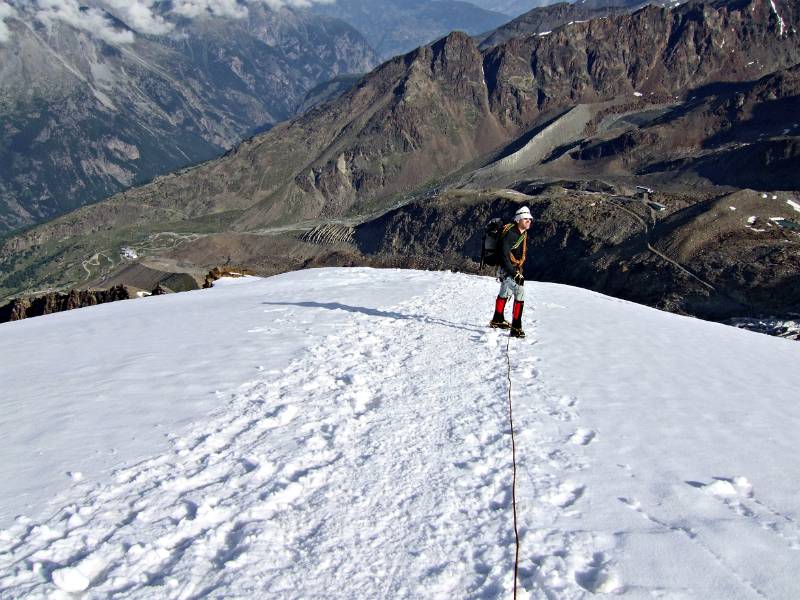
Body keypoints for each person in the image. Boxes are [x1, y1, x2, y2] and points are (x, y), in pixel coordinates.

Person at [489, 206, 531, 338]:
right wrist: (514, 273)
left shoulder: (520, 232)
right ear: (518, 220)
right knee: (519, 292)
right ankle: (516, 328)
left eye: (529, 219)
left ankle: (497, 319)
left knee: (505, 291)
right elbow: (503, 255)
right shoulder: (512, 234)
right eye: (525, 219)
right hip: (507, 269)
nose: (528, 221)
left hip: (509, 268)